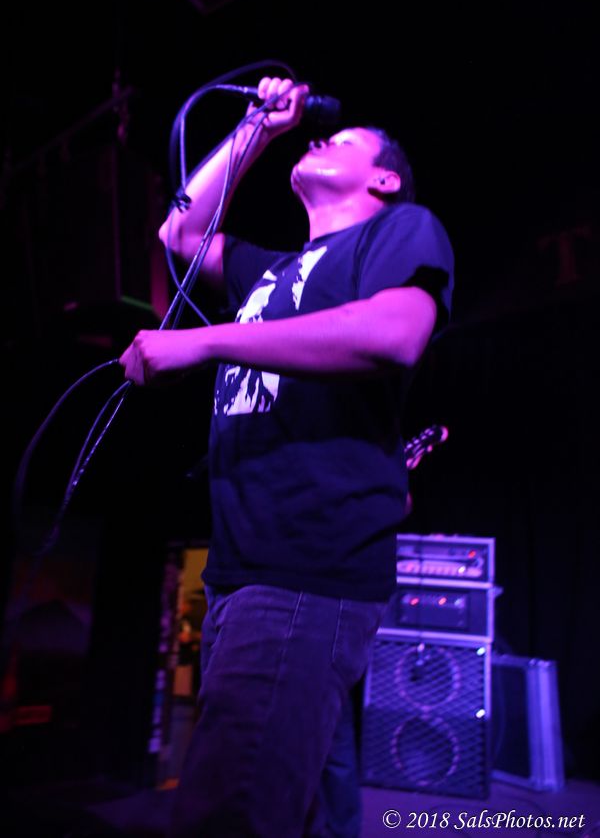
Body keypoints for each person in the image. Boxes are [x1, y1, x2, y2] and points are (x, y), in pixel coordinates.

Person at [119, 77, 454, 838]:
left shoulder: (400, 230)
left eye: (345, 140)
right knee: (304, 809)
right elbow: (180, 234)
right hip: (244, 568)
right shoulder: (268, 271)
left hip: (305, 567)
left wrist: (204, 342)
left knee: (230, 812)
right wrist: (258, 129)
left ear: (383, 179)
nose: (322, 138)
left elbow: (395, 333)